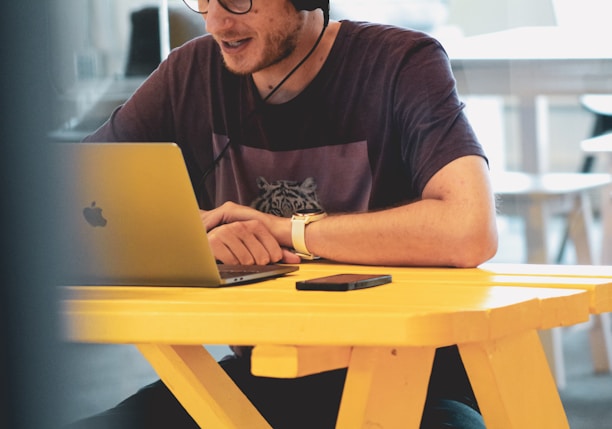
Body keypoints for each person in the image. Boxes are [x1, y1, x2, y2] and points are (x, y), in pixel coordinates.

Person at [69, 0, 498, 427]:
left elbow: (469, 228)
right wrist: (190, 232)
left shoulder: (400, 63)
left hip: (413, 381)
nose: (216, 21)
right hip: (263, 377)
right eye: (203, 0)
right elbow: (70, 199)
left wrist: (287, 231)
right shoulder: (190, 73)